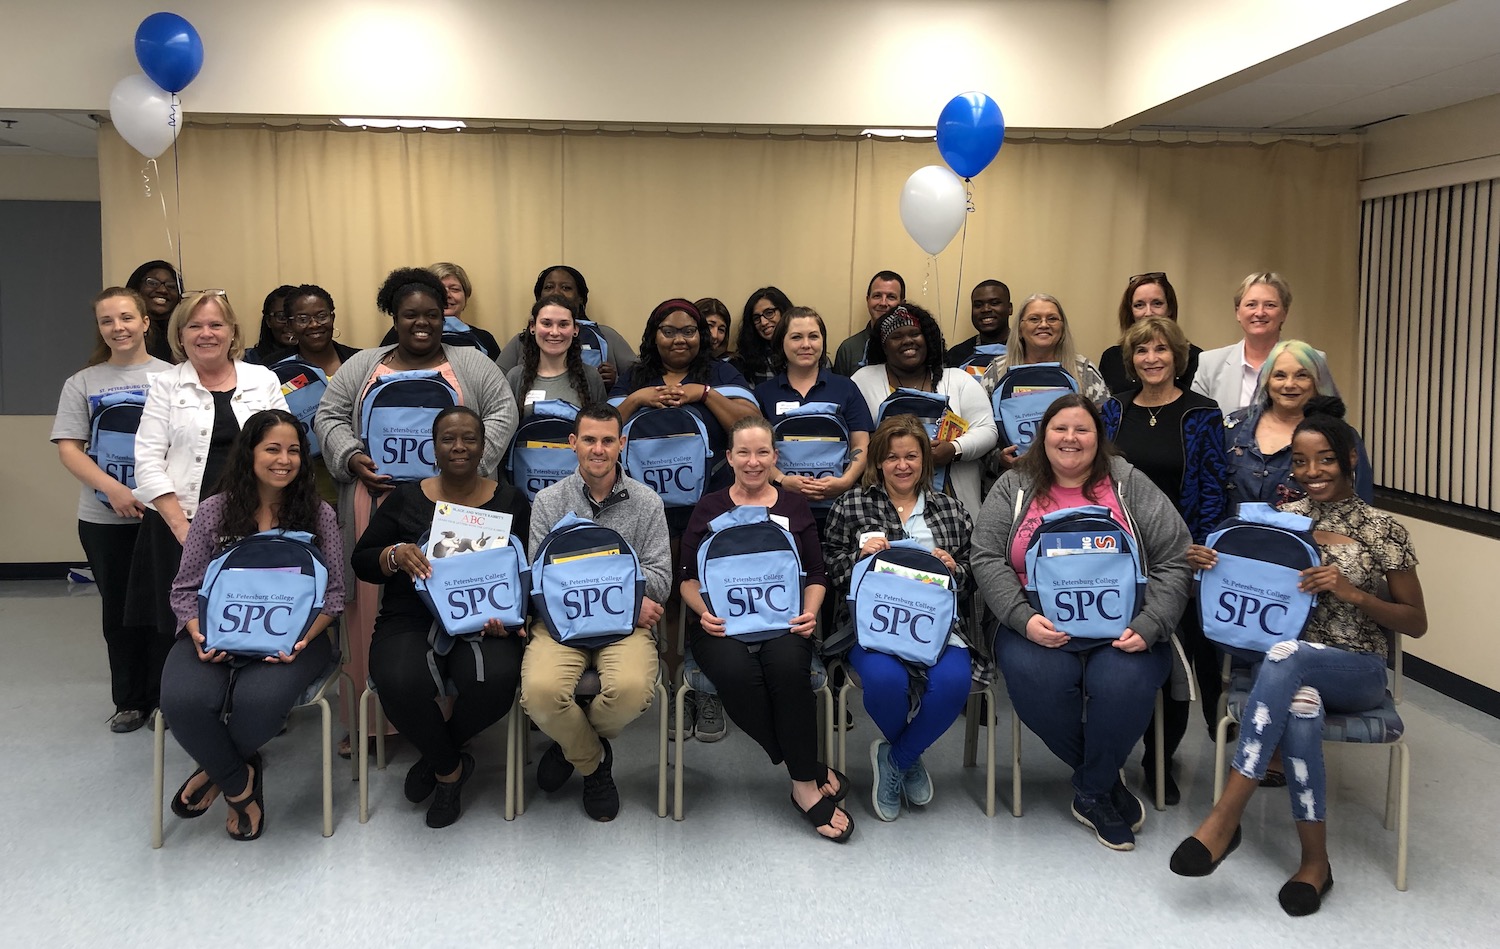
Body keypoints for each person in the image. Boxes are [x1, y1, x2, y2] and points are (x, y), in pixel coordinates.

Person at [1171, 398, 1428, 917]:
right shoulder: (1278, 521)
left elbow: (1416, 622)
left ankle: (1225, 816)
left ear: (1351, 459)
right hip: (1287, 672)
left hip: (1358, 670)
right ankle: (1316, 865)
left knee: (1287, 657)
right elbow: (1245, 584)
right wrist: (1211, 561)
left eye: (1326, 459)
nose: (1312, 472)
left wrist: (1354, 593)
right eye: (1301, 461)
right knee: (1302, 706)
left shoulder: (1383, 530)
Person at [971, 394, 1191, 851]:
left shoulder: (1129, 483)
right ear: (1042, 436)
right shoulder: (1013, 486)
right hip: (1033, 618)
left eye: (1082, 430)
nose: (1070, 438)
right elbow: (986, 556)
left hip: (1125, 620)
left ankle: (1091, 790)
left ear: (1098, 438)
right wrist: (1022, 618)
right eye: (1060, 429)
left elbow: (1175, 556)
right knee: (1039, 678)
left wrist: (1151, 623)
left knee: (1125, 681)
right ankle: (1104, 780)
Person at [315, 266, 519, 757]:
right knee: (372, 610)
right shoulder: (363, 364)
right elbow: (328, 414)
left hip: (456, 507)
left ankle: (440, 723)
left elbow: (503, 411)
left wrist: (467, 468)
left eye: (432, 313)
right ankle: (373, 723)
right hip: (377, 501)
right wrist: (350, 456)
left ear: (445, 315)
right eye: (411, 315)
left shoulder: (471, 363)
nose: (422, 323)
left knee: (459, 598)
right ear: (394, 316)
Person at [159, 408, 344, 841]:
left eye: (294, 450)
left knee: (259, 703)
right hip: (214, 634)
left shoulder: (319, 514)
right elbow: (185, 589)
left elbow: (335, 595)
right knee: (183, 701)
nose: (285, 459)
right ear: (249, 454)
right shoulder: (213, 511)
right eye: (272, 449)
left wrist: (304, 639)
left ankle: (216, 773)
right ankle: (241, 786)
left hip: (296, 638)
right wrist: (197, 633)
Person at [352, 407, 529, 827]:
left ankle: (439, 753)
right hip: (409, 616)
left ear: (484, 446)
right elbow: (361, 560)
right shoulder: (407, 497)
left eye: (469, 438)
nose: (459, 447)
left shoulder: (510, 500)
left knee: (495, 680)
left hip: (484, 621)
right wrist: (393, 555)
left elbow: (524, 570)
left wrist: (510, 615)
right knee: (398, 680)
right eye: (449, 438)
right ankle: (450, 771)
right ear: (433, 446)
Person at [679, 416, 849, 841]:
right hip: (720, 624)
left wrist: (809, 613)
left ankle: (804, 788)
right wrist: (703, 611)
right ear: (729, 457)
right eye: (743, 452)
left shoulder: (793, 506)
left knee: (790, 671)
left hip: (781, 620)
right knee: (736, 674)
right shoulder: (708, 507)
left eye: (762, 453)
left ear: (775, 457)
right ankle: (805, 769)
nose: (752, 462)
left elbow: (815, 573)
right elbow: (686, 578)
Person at [127, 291, 288, 690]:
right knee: (183, 618)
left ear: (232, 331)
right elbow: (147, 460)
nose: (206, 334)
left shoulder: (262, 379)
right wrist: (183, 528)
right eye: (195, 326)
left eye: (216, 324)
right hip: (178, 520)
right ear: (180, 336)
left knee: (250, 609)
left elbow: (285, 450)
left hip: (254, 520)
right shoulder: (165, 384)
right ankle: (186, 700)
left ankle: (251, 697)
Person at [521, 404, 670, 822]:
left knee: (632, 690)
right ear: (573, 444)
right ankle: (592, 761)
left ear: (622, 444)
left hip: (624, 626)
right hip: (560, 626)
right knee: (540, 694)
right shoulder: (549, 501)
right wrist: (620, 588)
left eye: (608, 440)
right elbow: (538, 577)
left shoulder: (648, 502)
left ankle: (570, 743)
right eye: (589, 439)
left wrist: (622, 599)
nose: (598, 449)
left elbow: (660, 579)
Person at [1100, 316, 1227, 804]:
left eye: (1161, 350)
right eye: (1141, 351)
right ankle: (1115, 755)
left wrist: (1201, 544)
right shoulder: (1112, 411)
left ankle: (1160, 760)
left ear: (1178, 356)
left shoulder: (1201, 413)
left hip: (1181, 555)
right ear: (1130, 360)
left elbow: (1214, 486)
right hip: (1120, 554)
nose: (1151, 359)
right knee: (1126, 652)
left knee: (1175, 663)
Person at [823, 415, 974, 821]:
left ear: (925, 460)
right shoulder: (852, 503)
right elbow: (828, 567)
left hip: (938, 628)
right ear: (878, 461)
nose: (902, 465)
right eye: (892, 457)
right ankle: (906, 756)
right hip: (871, 627)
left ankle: (897, 757)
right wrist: (859, 557)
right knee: (886, 681)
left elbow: (973, 571)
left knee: (955, 682)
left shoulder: (950, 508)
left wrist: (954, 567)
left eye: (911, 456)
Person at [51, 287, 173, 732]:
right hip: (104, 518)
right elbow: (70, 449)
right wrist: (115, 490)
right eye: (107, 321)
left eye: (126, 317)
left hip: (163, 514)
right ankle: (130, 700)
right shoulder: (82, 382)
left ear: (145, 322)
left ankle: (166, 697)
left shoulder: (175, 376)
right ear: (100, 329)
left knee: (167, 607)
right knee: (119, 611)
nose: (117, 327)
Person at [610, 298, 760, 521]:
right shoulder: (635, 377)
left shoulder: (721, 373)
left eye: (689, 331)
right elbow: (603, 431)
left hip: (713, 501)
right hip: (645, 506)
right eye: (669, 332)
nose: (679, 340)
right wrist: (637, 399)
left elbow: (754, 427)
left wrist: (705, 394)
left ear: (701, 335)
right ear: (654, 335)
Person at [850, 304, 997, 516]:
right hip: (883, 510)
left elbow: (987, 430)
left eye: (915, 334)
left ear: (927, 338)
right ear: (883, 346)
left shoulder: (958, 379)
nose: (908, 341)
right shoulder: (863, 380)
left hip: (953, 511)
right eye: (897, 336)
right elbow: (855, 437)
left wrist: (954, 449)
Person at [1223, 339, 1373, 509]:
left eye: (1302, 375)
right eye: (1280, 375)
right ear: (1266, 380)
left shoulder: (1340, 435)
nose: (1289, 385)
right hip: (1234, 534)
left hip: (1312, 535)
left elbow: (1361, 504)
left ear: (1318, 382)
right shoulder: (1232, 427)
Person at [753, 305, 874, 511]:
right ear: (781, 342)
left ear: (823, 341)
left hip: (838, 507)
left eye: (814, 337)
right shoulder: (764, 393)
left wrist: (845, 481)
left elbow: (861, 441)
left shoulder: (846, 388)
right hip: (781, 505)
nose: (806, 345)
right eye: (796, 337)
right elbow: (756, 449)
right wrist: (781, 480)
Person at [982, 293, 1111, 468]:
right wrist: (998, 458)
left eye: (1052, 319)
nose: (1043, 325)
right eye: (1034, 319)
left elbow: (1105, 427)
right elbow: (980, 428)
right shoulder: (996, 372)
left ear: (1062, 327)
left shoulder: (1084, 371)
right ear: (1020, 328)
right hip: (1010, 479)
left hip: (1074, 476)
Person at [496, 265, 639, 390]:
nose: (556, 292)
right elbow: (495, 383)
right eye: (549, 287)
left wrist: (617, 381)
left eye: (566, 288)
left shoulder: (607, 335)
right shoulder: (521, 340)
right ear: (539, 297)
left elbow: (642, 378)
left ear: (581, 298)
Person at [1194, 272, 1304, 414]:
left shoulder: (1310, 362)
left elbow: (1330, 424)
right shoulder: (1210, 364)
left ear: (1284, 313)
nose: (1259, 312)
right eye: (1251, 305)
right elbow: (1196, 425)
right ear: (1238, 313)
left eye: (1270, 305)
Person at [1098, 272, 1202, 393]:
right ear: (1130, 312)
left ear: (1170, 309)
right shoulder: (1111, 358)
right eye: (1139, 305)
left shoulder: (1195, 358)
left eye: (1157, 303)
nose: (1148, 313)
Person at [504, 294, 607, 413]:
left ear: (575, 329)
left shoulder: (591, 377)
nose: (554, 332)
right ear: (533, 327)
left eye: (563, 324)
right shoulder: (515, 377)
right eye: (546, 324)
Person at [378, 262, 502, 360]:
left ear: (466, 296)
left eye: (454, 289)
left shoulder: (484, 338)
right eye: (440, 289)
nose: (447, 295)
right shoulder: (403, 331)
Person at [832, 271, 904, 376]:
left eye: (891, 297)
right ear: (868, 300)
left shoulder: (912, 346)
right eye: (877, 296)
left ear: (902, 303)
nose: (883, 303)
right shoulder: (849, 349)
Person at [729, 286, 792, 387]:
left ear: (783, 311)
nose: (763, 322)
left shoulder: (806, 352)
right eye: (756, 318)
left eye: (769, 313)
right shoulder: (744, 361)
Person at [945, 280, 1013, 370]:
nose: (985, 309)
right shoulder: (956, 356)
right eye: (978, 305)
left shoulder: (1028, 348)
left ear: (1010, 308)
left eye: (994, 303)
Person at [125, 260, 181, 363]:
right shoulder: (124, 330)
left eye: (171, 286)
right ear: (136, 287)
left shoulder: (183, 333)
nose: (163, 290)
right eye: (152, 283)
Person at [242, 285, 299, 365]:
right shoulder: (248, 360)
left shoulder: (316, 357)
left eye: (299, 317)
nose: (290, 324)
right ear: (268, 321)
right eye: (282, 317)